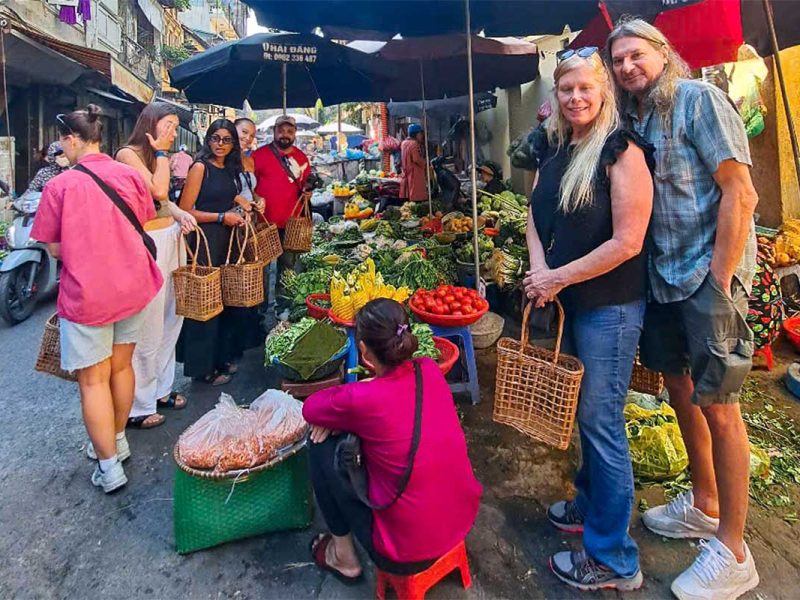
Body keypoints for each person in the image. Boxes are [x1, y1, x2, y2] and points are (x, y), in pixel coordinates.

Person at [607, 19, 759, 600]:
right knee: (682, 392)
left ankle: (734, 551)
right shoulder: (637, 119)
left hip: (705, 277)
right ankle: (705, 503)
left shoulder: (699, 100)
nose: (626, 68)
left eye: (635, 55)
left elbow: (738, 191)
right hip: (663, 276)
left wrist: (720, 281)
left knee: (720, 405)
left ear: (662, 54)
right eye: (618, 60)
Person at [522, 48, 654, 591]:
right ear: (556, 96)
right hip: (574, 303)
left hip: (612, 309)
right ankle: (590, 505)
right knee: (587, 418)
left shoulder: (621, 152)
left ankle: (615, 559)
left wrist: (558, 279)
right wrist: (539, 272)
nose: (575, 98)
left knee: (602, 426)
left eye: (585, 89)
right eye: (566, 89)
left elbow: (628, 242)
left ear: (604, 93)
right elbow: (533, 215)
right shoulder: (559, 151)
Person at [31, 105, 163, 493]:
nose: (61, 148)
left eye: (62, 141)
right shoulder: (127, 175)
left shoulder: (60, 186)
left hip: (89, 294)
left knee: (92, 381)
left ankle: (109, 468)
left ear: (72, 139)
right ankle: (118, 440)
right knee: (121, 369)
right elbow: (144, 220)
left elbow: (53, 249)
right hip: (133, 286)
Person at [302, 299, 482, 581]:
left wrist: (343, 414)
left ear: (363, 351)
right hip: (462, 521)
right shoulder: (429, 370)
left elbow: (310, 408)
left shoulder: (363, 399)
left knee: (319, 443)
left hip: (404, 552)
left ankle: (343, 556)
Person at [115, 103, 197, 430]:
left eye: (175, 126)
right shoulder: (128, 154)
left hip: (170, 239)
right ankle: (137, 404)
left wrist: (179, 214)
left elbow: (163, 202)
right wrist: (162, 154)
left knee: (170, 320)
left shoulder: (154, 155)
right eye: (169, 125)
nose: (173, 132)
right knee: (147, 325)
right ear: (151, 123)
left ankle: (161, 389)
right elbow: (158, 189)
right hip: (147, 246)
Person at [176, 119, 251, 385]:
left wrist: (240, 201)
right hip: (205, 241)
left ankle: (220, 358)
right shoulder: (200, 167)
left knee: (224, 303)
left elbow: (224, 195)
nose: (220, 144)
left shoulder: (229, 168)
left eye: (226, 139)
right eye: (215, 138)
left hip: (226, 241)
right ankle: (202, 369)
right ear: (207, 140)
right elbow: (185, 210)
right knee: (204, 306)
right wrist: (221, 217)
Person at [252, 115, 311, 314]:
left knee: (288, 267)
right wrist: (255, 197)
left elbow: (305, 186)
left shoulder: (302, 158)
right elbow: (248, 185)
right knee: (262, 269)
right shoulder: (259, 156)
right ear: (274, 131)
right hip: (264, 222)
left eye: (289, 131)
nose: (285, 135)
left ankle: (282, 306)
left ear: (294, 133)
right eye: (281, 130)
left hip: (292, 223)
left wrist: (308, 191)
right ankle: (259, 311)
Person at [399, 123, 428, 202]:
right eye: (420, 134)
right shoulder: (414, 144)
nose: (421, 136)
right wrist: (425, 163)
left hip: (406, 172)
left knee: (409, 196)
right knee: (417, 197)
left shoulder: (404, 143)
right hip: (415, 174)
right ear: (416, 134)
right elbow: (416, 159)